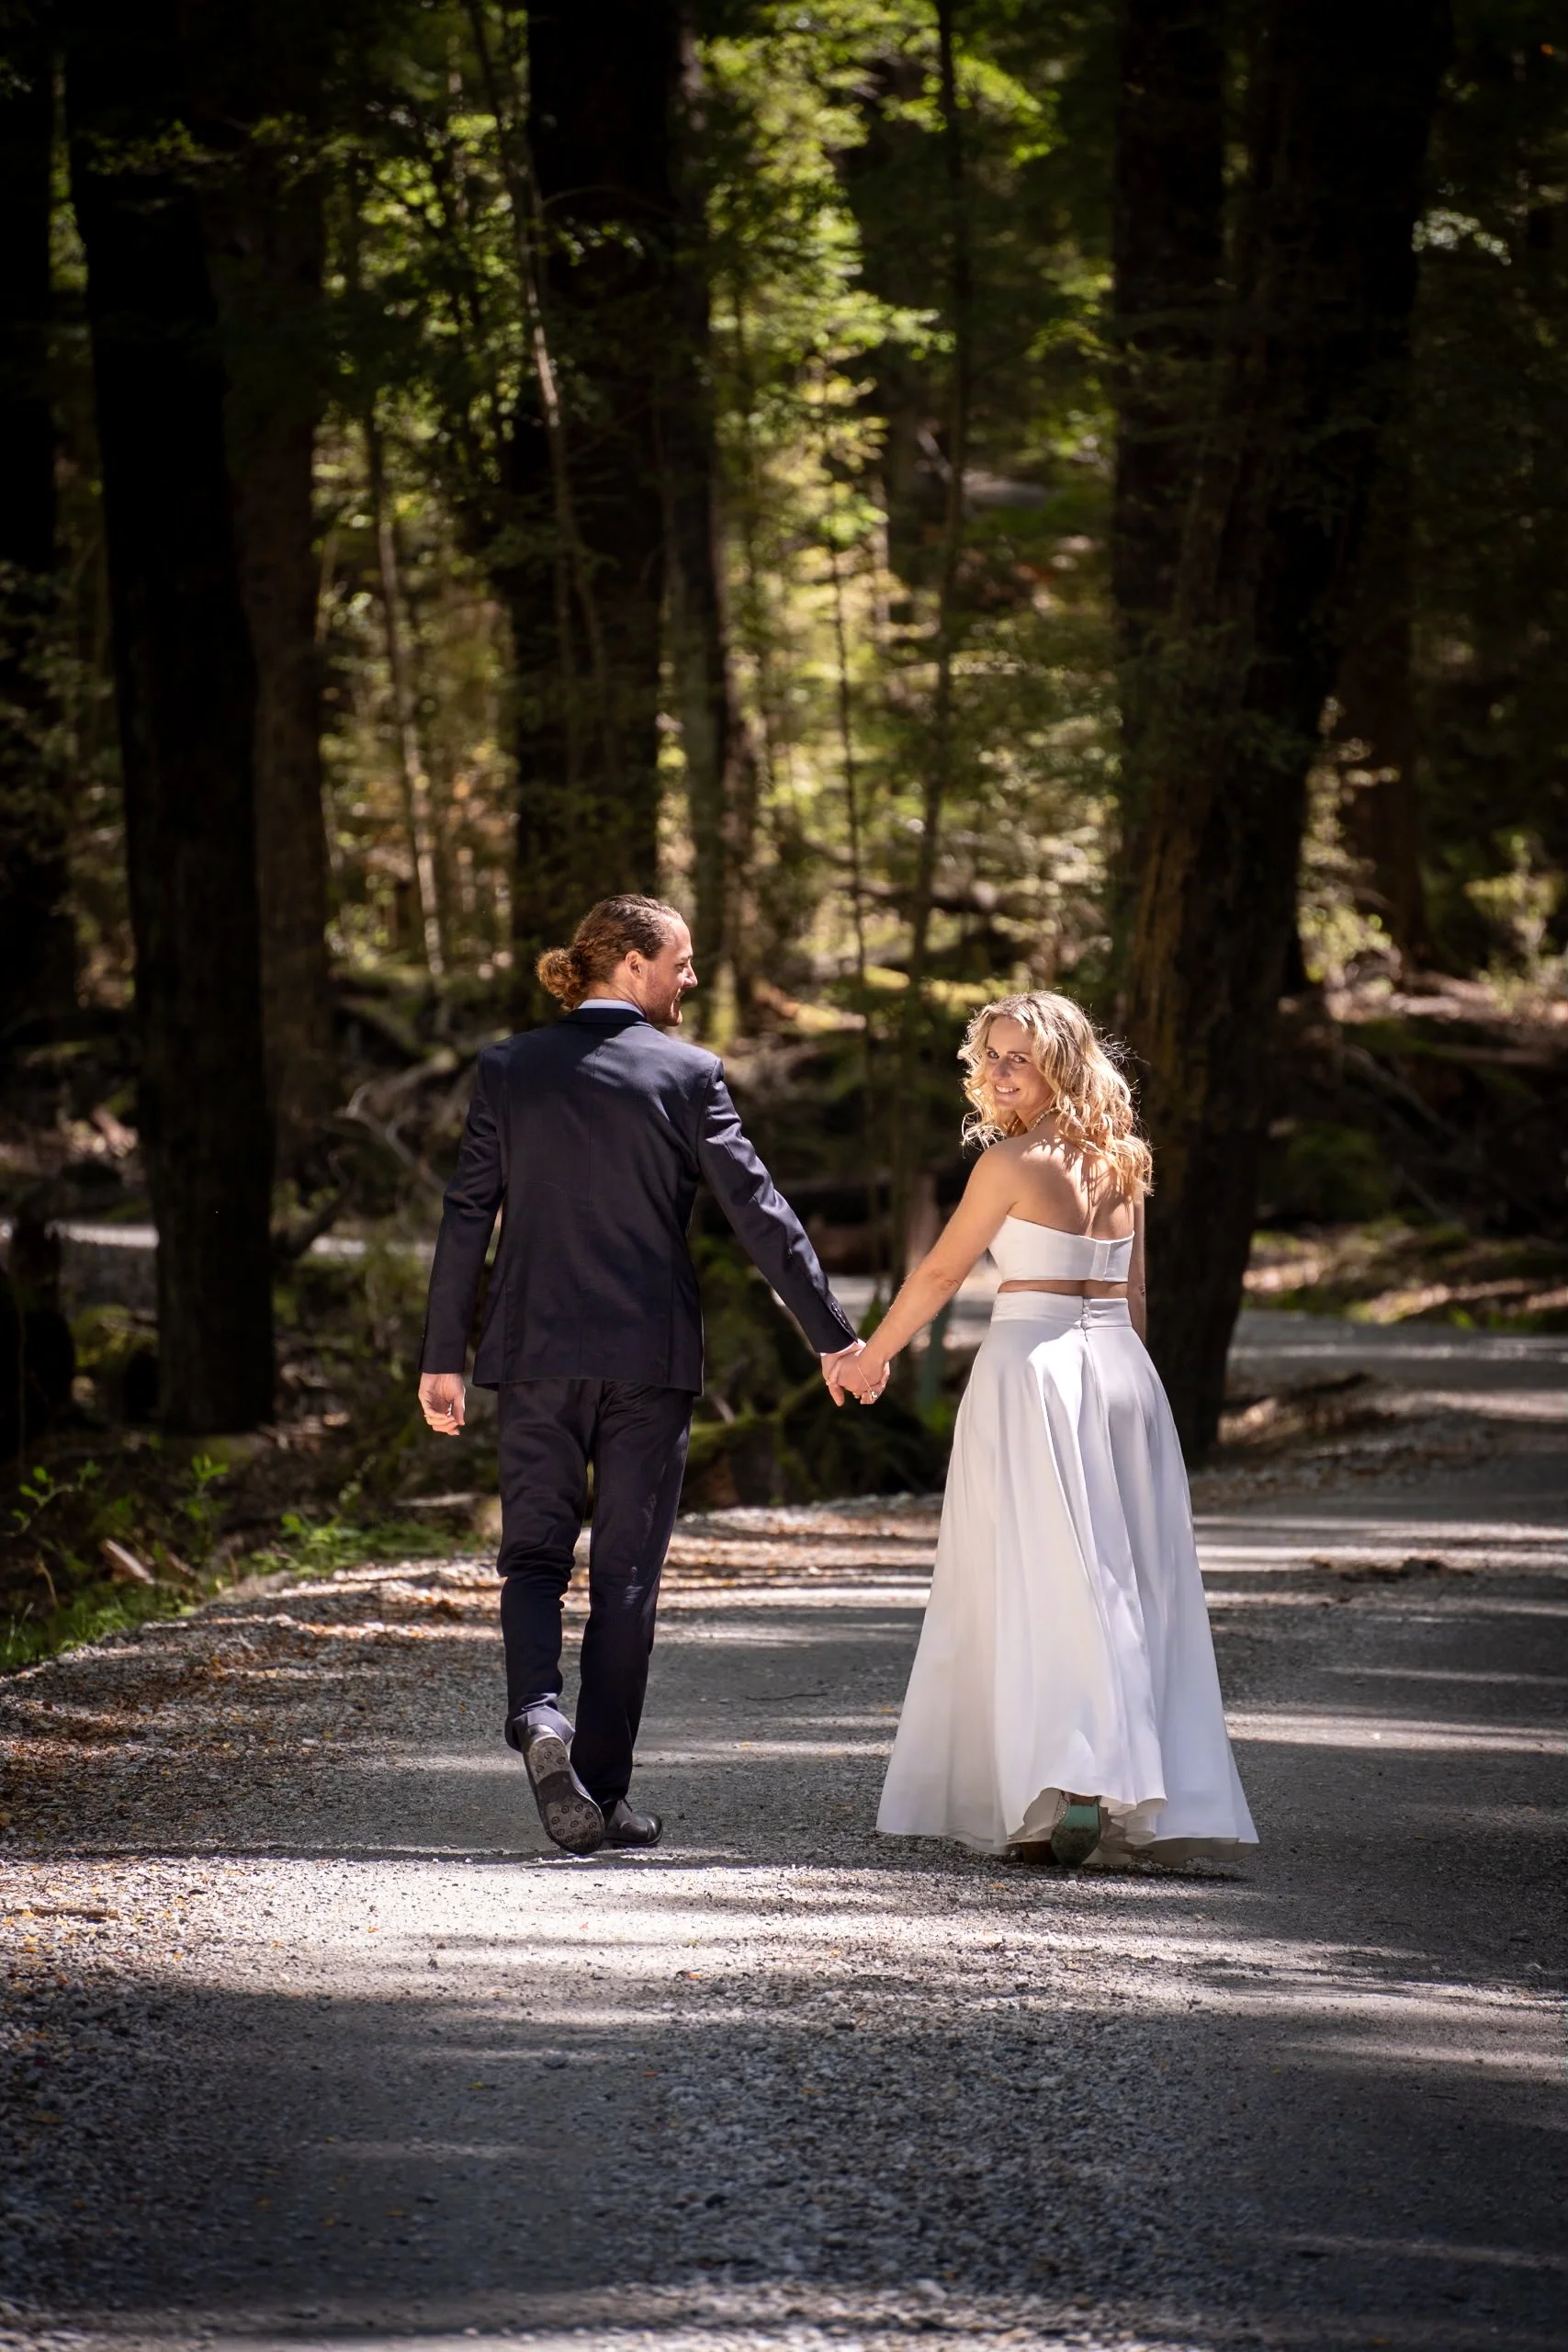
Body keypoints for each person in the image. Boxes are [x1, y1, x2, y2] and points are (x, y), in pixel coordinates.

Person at [416, 894, 865, 1857]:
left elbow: (467, 1215)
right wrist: (832, 1335)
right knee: (626, 1577)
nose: (691, 980)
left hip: (533, 1356)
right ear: (627, 962)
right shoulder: (689, 1074)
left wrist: (443, 1354)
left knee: (533, 1556)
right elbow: (762, 1216)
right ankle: (603, 1793)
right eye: (682, 962)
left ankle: (539, 1717)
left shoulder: (508, 1069)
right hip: (647, 1361)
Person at [837, 991, 1257, 1868]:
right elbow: (1133, 1295)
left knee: (1039, 1575)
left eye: (1015, 1057)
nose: (994, 1072)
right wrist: (1128, 1384)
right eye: (989, 1054)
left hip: (1032, 1372)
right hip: (1118, 1376)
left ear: (1059, 1063)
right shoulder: (1123, 1158)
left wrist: (868, 1355)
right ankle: (1124, 1780)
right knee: (1125, 1580)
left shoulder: (1009, 1164)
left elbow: (946, 1270)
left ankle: (1060, 1779)